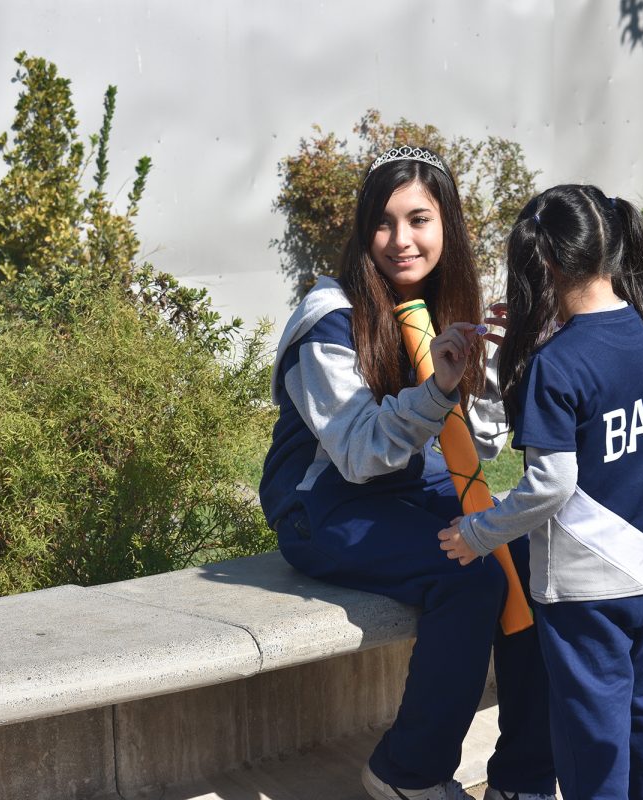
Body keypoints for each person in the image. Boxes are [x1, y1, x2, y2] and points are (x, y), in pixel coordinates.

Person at [259, 146, 555, 800]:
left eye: (419, 220)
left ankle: (525, 779)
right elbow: (360, 451)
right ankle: (407, 772)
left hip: (415, 495)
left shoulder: (450, 305)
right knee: (472, 576)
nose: (401, 240)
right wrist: (437, 389)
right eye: (385, 223)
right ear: (365, 230)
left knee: (531, 560)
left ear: (446, 224)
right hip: (324, 507)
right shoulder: (328, 319)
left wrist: (501, 371)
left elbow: (480, 447)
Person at [437, 185, 643, 800]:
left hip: (588, 591)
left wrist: (477, 533)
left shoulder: (558, 364)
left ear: (542, 265)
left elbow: (550, 485)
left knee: (591, 750)